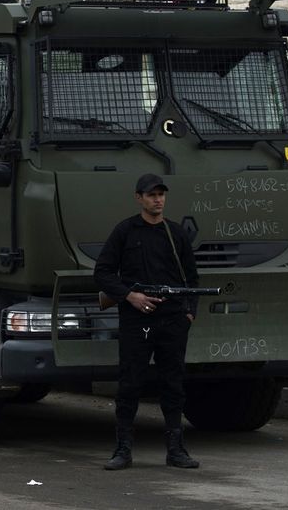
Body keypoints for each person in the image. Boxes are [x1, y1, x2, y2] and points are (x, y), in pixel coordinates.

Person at [93, 174, 201, 470]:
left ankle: (176, 449)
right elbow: (102, 272)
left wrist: (189, 313)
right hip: (136, 320)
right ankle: (123, 449)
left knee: (173, 384)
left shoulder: (175, 233)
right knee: (130, 384)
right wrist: (130, 296)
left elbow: (192, 278)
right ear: (138, 198)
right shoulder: (125, 231)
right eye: (152, 195)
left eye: (161, 194)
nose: (158, 200)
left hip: (172, 319)